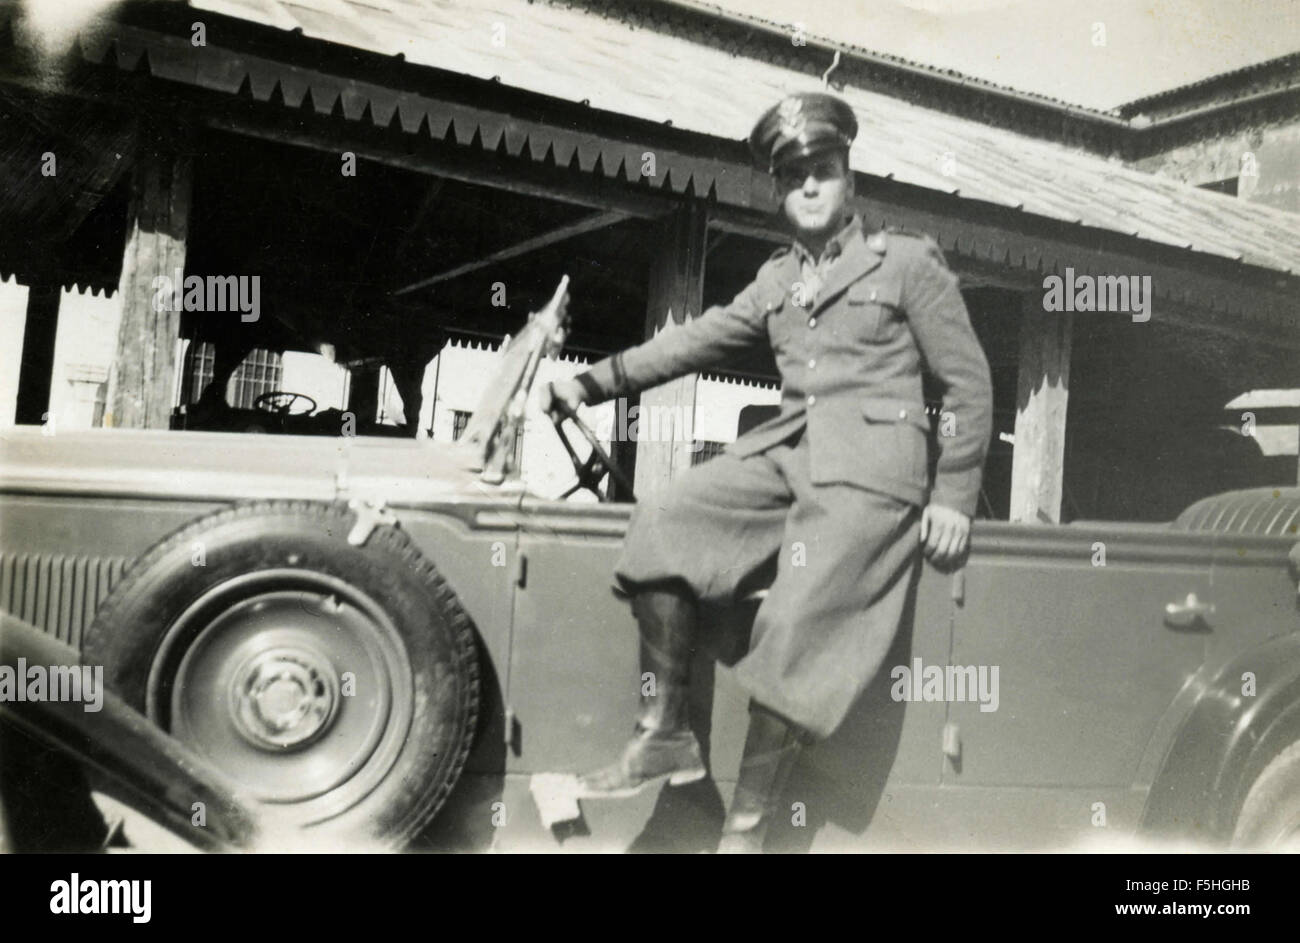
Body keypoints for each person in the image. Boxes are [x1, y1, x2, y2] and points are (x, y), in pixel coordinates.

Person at [543, 92, 994, 852]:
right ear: (778, 192)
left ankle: (745, 832)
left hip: (873, 476)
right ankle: (664, 733)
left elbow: (969, 384)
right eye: (793, 178)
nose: (809, 188)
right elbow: (696, 339)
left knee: (793, 623)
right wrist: (590, 381)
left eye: (822, 171)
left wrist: (954, 494)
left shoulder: (908, 262)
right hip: (789, 454)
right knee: (662, 519)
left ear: (849, 179)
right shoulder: (777, 278)